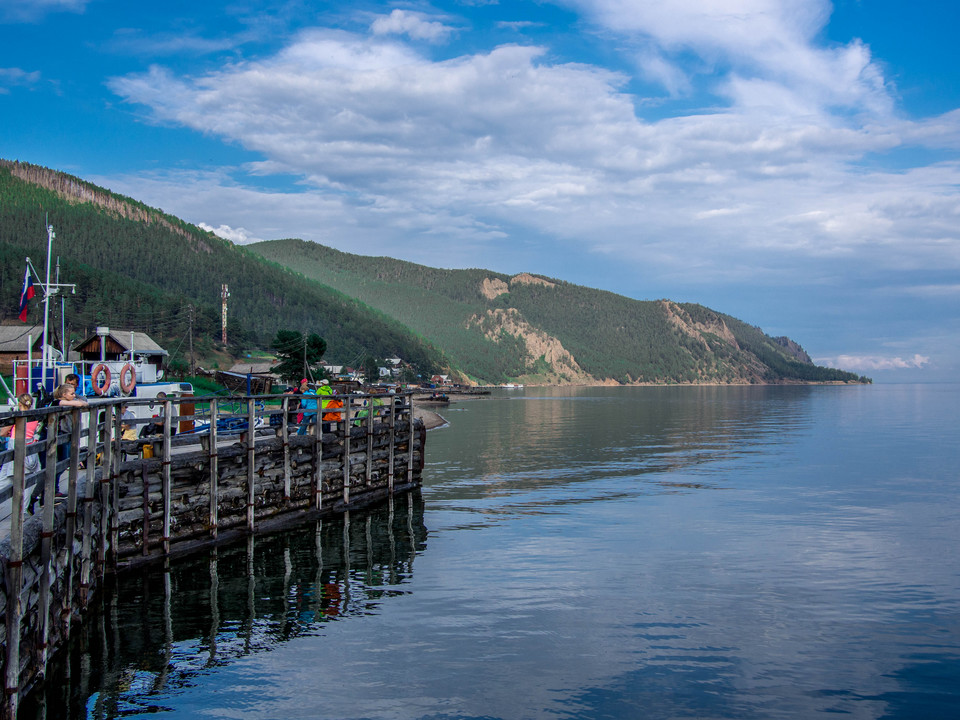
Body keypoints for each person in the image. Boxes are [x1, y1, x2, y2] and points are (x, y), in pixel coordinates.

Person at [52, 383, 89, 463]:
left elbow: (84, 401)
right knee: (63, 459)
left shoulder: (68, 402)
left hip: (66, 432)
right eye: (72, 394)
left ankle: (56, 475)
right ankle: (54, 475)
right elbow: (80, 403)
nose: (74, 396)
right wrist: (79, 402)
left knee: (65, 459)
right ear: (64, 394)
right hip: (58, 432)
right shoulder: (57, 402)